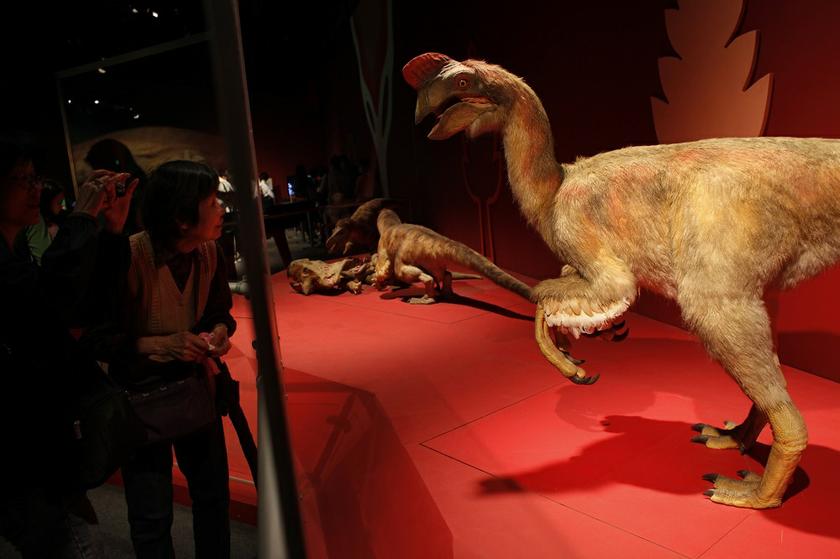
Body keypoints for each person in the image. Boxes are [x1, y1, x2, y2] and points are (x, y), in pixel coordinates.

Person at [85, 160, 235, 558]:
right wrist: (160, 345)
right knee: (151, 517)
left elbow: (220, 312)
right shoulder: (128, 256)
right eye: (212, 201)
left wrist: (219, 332)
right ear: (182, 218)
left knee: (213, 500)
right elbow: (98, 338)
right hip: (140, 401)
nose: (221, 208)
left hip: (195, 390)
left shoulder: (211, 253)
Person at [0, 140, 137, 558]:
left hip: (41, 447)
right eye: (21, 180)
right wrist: (81, 218)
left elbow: (88, 309)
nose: (35, 189)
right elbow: (49, 307)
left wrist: (112, 232)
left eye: (35, 179)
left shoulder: (18, 249)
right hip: (21, 454)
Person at [24, 178, 67, 264]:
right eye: (59, 202)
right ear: (46, 202)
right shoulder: (36, 221)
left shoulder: (50, 220)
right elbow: (44, 259)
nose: (62, 207)